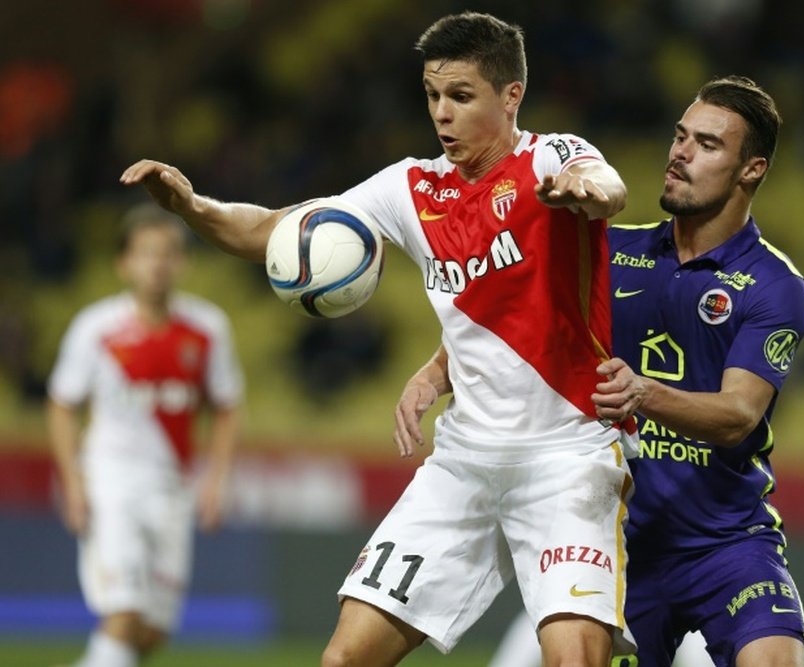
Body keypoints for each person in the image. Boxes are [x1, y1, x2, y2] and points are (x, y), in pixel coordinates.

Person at [121, 11, 635, 667]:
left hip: (566, 457)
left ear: (511, 96)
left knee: (576, 660)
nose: (442, 114)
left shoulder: (552, 158)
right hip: (465, 461)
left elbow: (610, 189)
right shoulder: (411, 187)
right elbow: (278, 228)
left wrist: (582, 190)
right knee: (343, 658)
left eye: (461, 95)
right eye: (432, 96)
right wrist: (195, 208)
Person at [399, 76, 804, 667]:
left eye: (708, 144)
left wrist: (642, 393)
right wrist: (432, 374)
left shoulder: (774, 285)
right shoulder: (611, 254)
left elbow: (738, 417)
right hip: (613, 543)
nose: (681, 152)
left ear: (752, 170)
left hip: (727, 543)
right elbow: (506, 317)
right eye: (679, 136)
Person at [47, 203, 244, 667]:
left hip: (172, 488)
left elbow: (227, 407)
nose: (157, 264)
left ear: (184, 262)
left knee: (152, 630)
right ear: (124, 264)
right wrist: (74, 482)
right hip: (111, 481)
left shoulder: (208, 328)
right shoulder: (97, 329)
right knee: (125, 610)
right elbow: (61, 405)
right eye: (146, 253)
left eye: (167, 253)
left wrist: (215, 481)